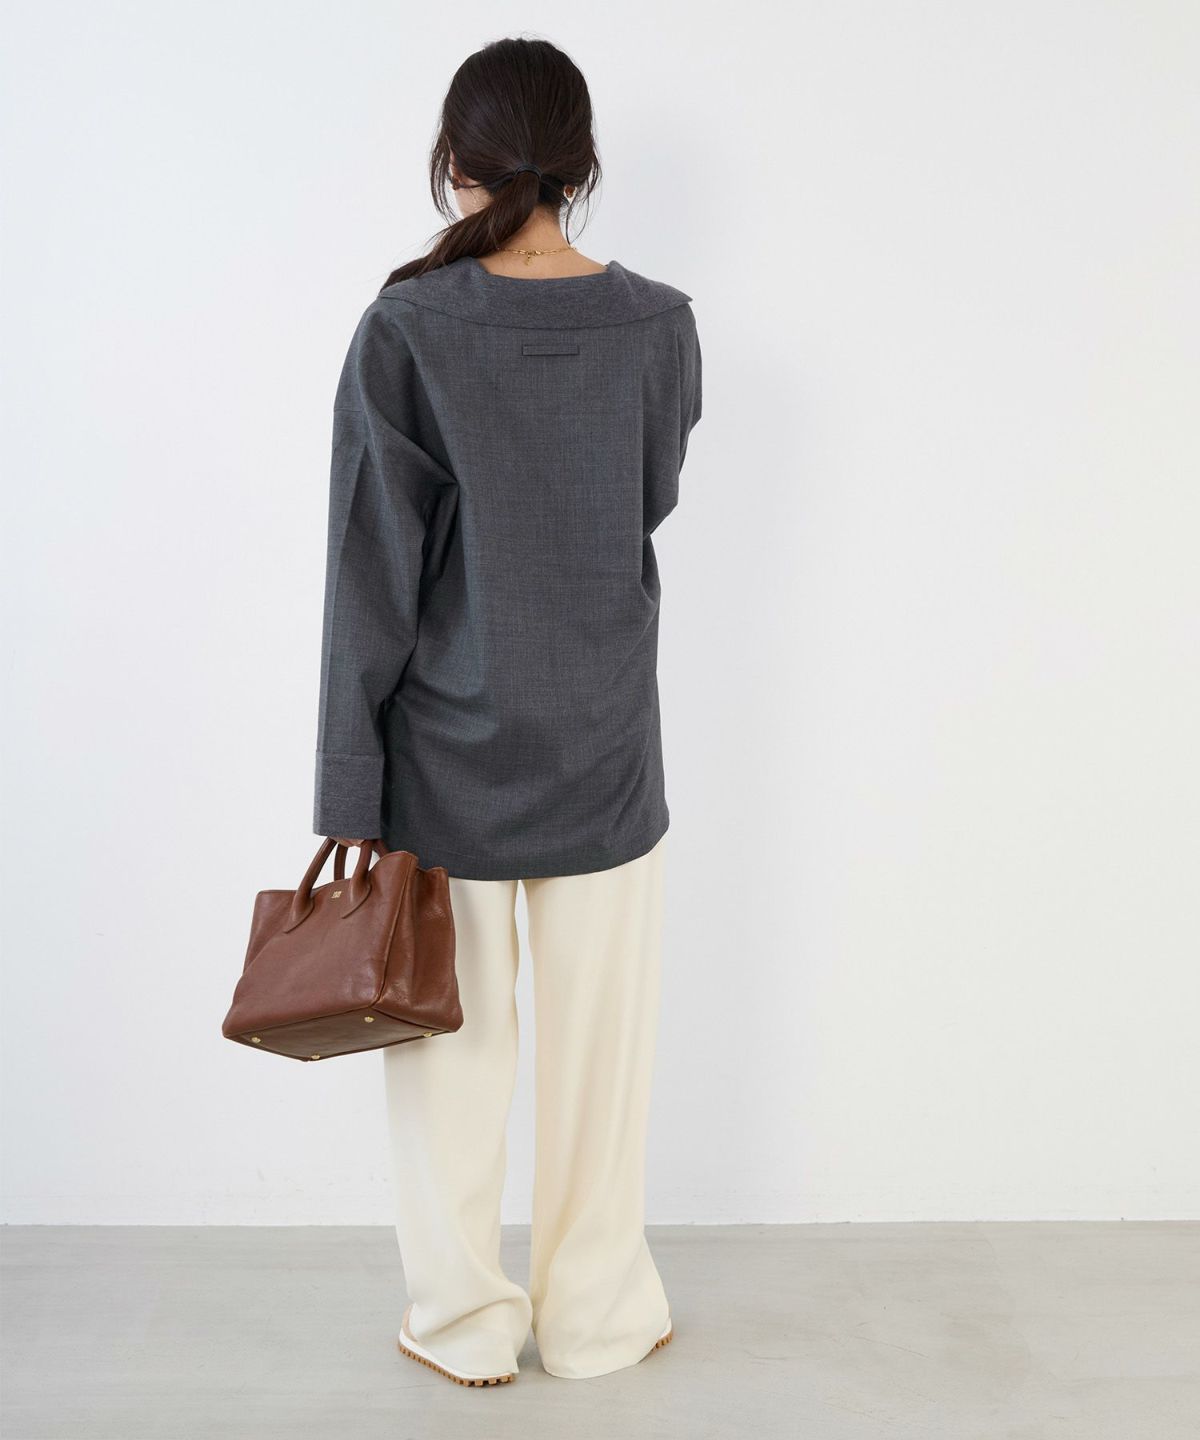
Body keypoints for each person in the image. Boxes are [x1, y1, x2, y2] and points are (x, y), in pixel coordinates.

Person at [312, 35, 702, 1385]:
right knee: (602, 1062)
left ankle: (465, 1322)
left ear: (457, 162)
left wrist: (347, 787)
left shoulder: (407, 328)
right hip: (605, 741)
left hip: (446, 756)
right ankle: (595, 1317)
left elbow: (369, 573)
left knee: (449, 1058)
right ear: (579, 166)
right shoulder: (659, 324)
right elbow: (647, 497)